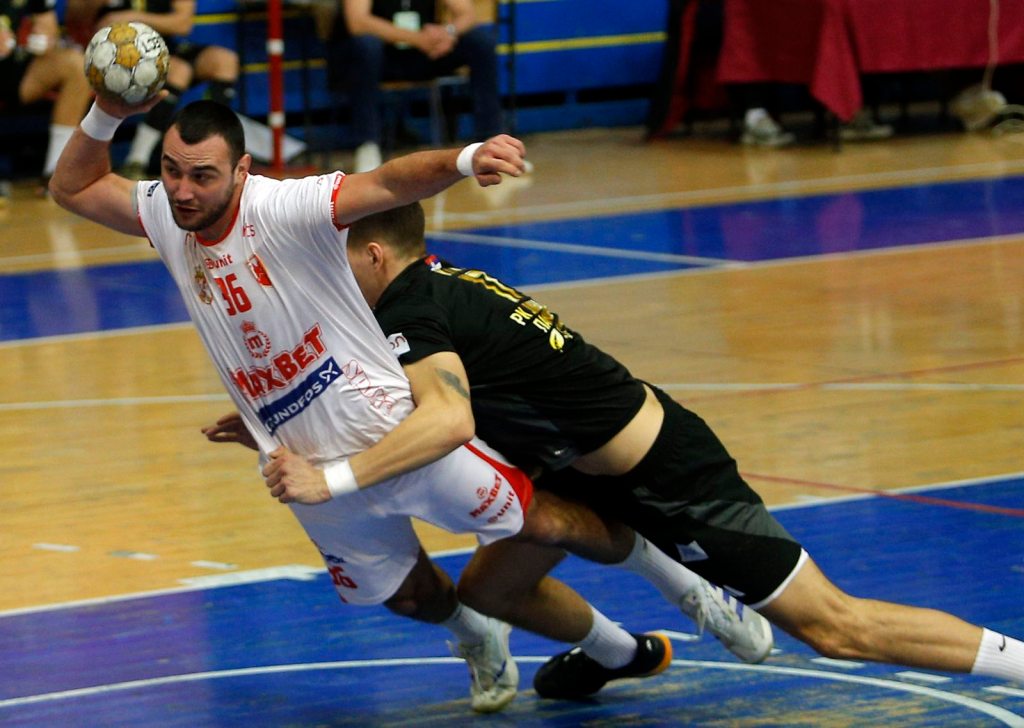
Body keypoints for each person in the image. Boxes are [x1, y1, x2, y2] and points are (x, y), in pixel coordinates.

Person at [48, 96, 730, 713]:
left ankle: (684, 584)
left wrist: (465, 158)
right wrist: (107, 110)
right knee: (408, 596)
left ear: (241, 171)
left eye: (201, 176)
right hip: (303, 463)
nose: (182, 189)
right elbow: (71, 186)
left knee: (543, 522)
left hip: (389, 427)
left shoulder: (280, 207)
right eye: (170, 171)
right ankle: (499, 638)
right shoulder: (168, 215)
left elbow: (389, 183)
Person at [239, 200, 1024, 701]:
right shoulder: (430, 287)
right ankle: (616, 653)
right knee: (489, 590)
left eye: (334, 259)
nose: (322, 277)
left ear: (376, 255)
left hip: (668, 476)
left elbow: (445, 420)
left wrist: (328, 478)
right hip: (582, 472)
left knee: (834, 627)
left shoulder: (412, 308)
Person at [66, 0, 240, 178]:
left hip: (160, 50)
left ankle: (211, 149)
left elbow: (183, 24)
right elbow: (75, 17)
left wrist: (133, 18)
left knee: (224, 61)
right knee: (179, 71)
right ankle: (137, 161)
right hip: (112, 57)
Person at [325, 0, 501, 172]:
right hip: (382, 56)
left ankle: (490, 142)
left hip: (424, 53)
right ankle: (367, 144)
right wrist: (416, 38)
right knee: (365, 45)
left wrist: (447, 32)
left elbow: (467, 14)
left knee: (480, 41)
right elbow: (358, 22)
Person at [0, 0, 91, 198]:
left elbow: (48, 28)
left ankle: (55, 174)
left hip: (13, 71)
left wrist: (44, 39)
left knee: (76, 66)